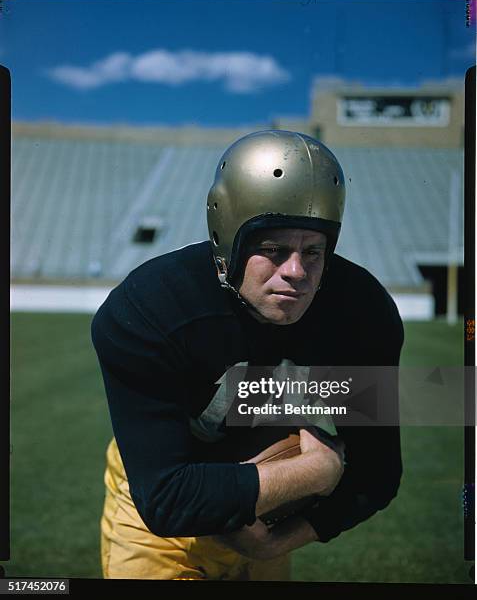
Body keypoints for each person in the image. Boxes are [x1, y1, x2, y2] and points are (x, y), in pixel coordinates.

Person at [91, 130, 404, 581]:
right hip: (158, 511)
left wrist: (277, 540)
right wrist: (318, 470)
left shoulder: (361, 314)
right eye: (273, 250)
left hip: (267, 514)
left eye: (313, 251)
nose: (296, 272)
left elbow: (378, 473)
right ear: (228, 243)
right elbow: (165, 499)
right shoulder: (150, 309)